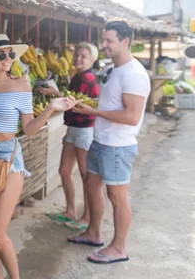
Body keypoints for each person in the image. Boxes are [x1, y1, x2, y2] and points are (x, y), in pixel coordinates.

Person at [0, 34, 78, 279]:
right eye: (2, 54)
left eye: (11, 54)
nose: (9, 59)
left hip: (9, 158)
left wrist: (51, 108)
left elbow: (28, 129)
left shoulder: (21, 84)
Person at [68, 19, 151, 264]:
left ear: (125, 42)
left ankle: (118, 247)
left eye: (108, 41)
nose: (102, 45)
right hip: (100, 139)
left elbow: (131, 116)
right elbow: (111, 104)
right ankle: (93, 233)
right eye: (103, 40)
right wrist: (94, 108)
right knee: (91, 185)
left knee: (117, 197)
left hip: (118, 145)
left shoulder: (134, 74)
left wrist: (93, 113)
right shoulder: (114, 69)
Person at [41, 42, 100, 231]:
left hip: (84, 130)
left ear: (92, 60)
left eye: (83, 56)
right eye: (77, 55)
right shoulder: (78, 76)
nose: (78, 59)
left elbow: (77, 103)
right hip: (73, 129)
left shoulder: (87, 77)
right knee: (65, 171)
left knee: (85, 176)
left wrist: (55, 93)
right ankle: (71, 211)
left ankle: (87, 217)